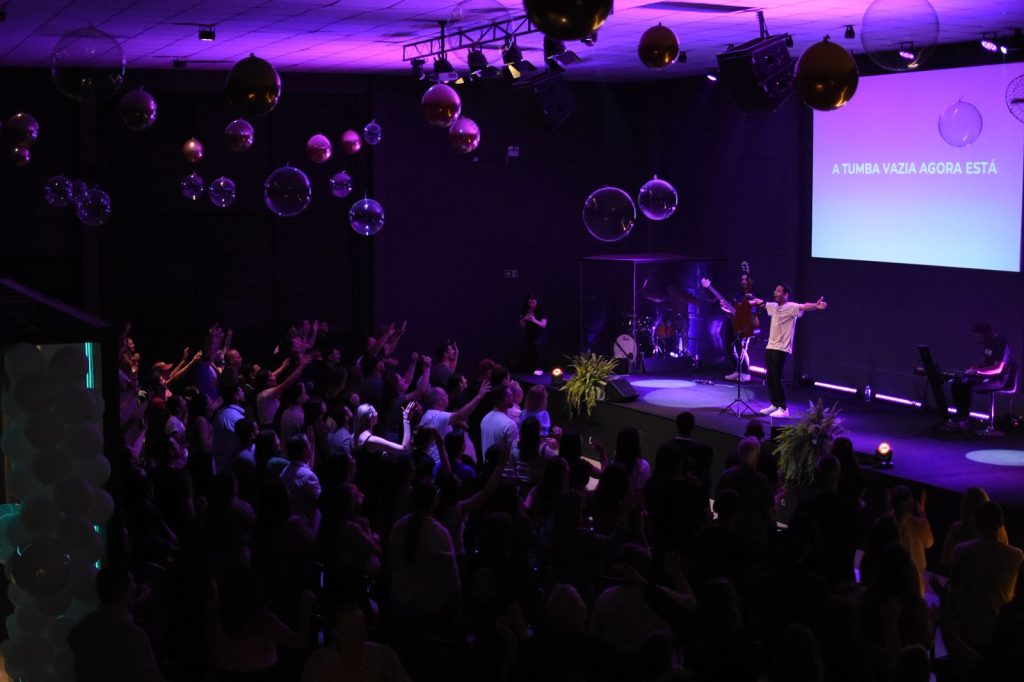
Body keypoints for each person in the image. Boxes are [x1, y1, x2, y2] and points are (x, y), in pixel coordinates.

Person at [750, 284, 828, 418]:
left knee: (776, 376)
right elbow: (761, 303)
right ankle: (774, 404)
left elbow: (804, 306)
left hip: (781, 347)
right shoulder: (773, 306)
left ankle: (783, 408)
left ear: (785, 294)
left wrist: (816, 305)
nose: (775, 293)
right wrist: (751, 301)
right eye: (775, 290)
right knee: (769, 376)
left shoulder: (791, 306)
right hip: (770, 346)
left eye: (778, 291)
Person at [951, 322, 1011, 425]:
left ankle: (963, 418)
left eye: (979, 337)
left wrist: (978, 370)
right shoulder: (988, 342)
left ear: (987, 333)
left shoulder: (1001, 343)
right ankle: (960, 415)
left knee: (965, 385)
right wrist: (973, 370)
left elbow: (998, 369)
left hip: (998, 379)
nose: (978, 339)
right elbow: (983, 361)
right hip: (986, 376)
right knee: (956, 383)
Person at [519, 294, 548, 372]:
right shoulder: (524, 309)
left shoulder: (541, 309)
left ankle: (539, 368)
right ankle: (531, 368)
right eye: (529, 303)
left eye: (533, 303)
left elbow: (543, 325)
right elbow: (522, 325)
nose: (531, 305)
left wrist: (534, 320)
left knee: (537, 345)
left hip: (540, 333)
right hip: (529, 333)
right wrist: (524, 319)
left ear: (537, 302)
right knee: (529, 349)